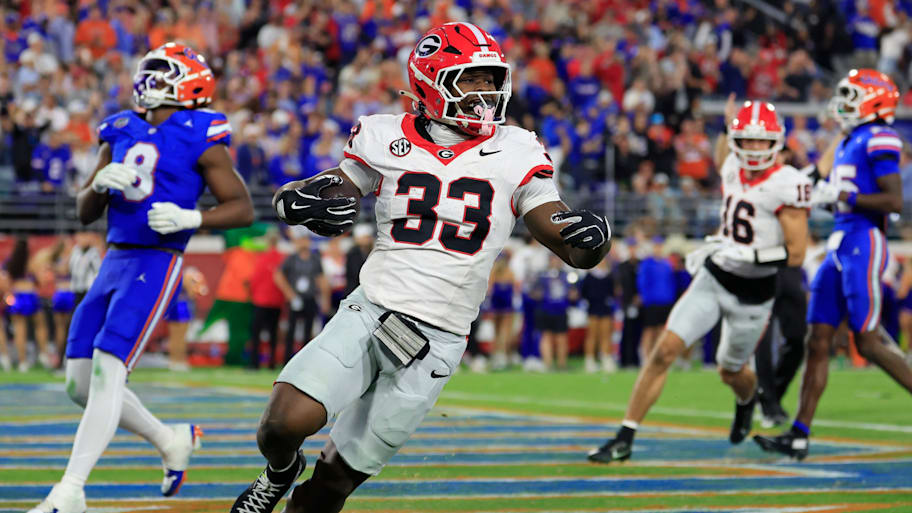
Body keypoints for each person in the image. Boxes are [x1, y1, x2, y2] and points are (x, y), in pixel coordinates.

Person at [230, 23, 612, 513]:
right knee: (281, 425)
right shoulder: (383, 134)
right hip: (371, 310)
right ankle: (280, 471)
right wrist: (295, 202)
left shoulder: (518, 149)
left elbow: (565, 239)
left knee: (328, 491)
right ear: (431, 83)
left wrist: (590, 241)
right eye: (470, 79)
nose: (485, 92)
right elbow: (326, 188)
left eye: (490, 79)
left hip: (438, 340)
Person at [29, 42, 254, 513]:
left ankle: (71, 490)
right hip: (113, 259)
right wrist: (98, 184)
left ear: (187, 83)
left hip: (156, 261)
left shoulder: (200, 133)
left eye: (161, 71)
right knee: (79, 383)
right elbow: (85, 211)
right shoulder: (120, 128)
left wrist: (194, 219)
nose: (148, 79)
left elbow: (241, 207)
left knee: (108, 369)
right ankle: (170, 439)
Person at [589, 99, 810, 464]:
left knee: (731, 372)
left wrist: (749, 255)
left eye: (762, 140)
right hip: (715, 277)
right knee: (664, 351)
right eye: (747, 139)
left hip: (753, 294)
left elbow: (797, 253)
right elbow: (724, 154)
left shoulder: (788, 183)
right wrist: (726, 124)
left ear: (777, 142)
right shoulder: (732, 166)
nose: (754, 148)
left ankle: (746, 401)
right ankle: (625, 436)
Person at [755, 69, 912, 460]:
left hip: (863, 241)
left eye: (851, 96)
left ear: (873, 101)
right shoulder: (847, 140)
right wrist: (830, 198)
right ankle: (799, 434)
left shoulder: (879, 136)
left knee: (868, 342)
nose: (843, 103)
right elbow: (842, 196)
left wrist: (843, 195)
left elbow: (893, 201)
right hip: (840, 242)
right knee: (818, 339)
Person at [274, 231, 329, 364]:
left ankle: (304, 362)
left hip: (310, 297)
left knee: (308, 330)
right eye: (301, 241)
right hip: (295, 298)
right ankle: (287, 360)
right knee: (291, 330)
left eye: (305, 240)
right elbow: (278, 275)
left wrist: (325, 299)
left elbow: (321, 279)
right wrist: (290, 294)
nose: (303, 243)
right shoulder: (292, 259)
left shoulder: (315, 259)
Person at [532, 255, 577, 371]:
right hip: (545, 309)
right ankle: (548, 364)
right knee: (546, 336)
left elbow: (573, 293)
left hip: (561, 310)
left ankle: (562, 364)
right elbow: (534, 292)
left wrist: (572, 295)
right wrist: (539, 293)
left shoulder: (566, 275)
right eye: (554, 259)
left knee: (562, 338)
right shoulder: (542, 275)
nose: (556, 262)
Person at [581, 257, 617, 373]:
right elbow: (584, 292)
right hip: (593, 308)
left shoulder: (609, 276)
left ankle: (606, 358)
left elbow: (613, 292)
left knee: (605, 335)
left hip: (605, 308)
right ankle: (589, 360)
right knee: (592, 335)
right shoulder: (589, 276)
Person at [487, 253, 518, 370]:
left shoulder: (493, 272)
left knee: (496, 333)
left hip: (496, 306)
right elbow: (515, 289)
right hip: (506, 307)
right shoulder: (509, 272)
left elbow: (489, 290)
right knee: (505, 333)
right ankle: (503, 356)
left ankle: (496, 356)